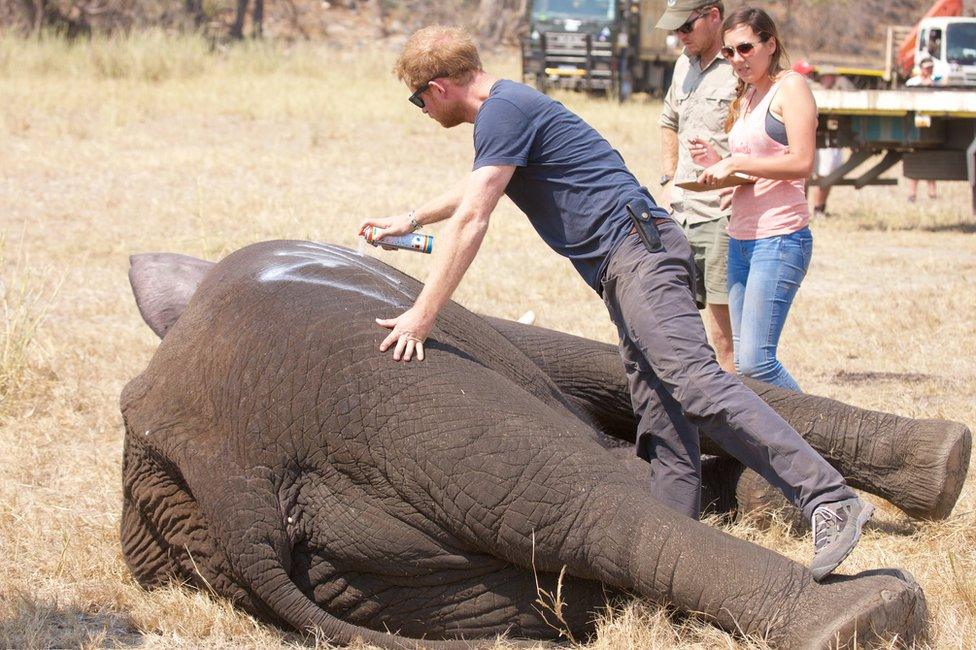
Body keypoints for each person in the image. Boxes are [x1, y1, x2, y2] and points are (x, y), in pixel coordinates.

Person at [361, 24, 872, 582]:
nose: (422, 111)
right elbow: (479, 187)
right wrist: (409, 221)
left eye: (418, 100)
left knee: (695, 383)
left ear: (437, 87)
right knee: (659, 409)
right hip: (624, 263)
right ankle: (671, 550)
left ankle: (828, 498)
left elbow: (473, 218)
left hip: (639, 254)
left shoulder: (502, 111)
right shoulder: (506, 109)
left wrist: (423, 315)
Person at [693, 7, 815, 394]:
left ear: (770, 43)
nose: (736, 59)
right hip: (741, 238)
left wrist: (739, 161)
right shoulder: (747, 96)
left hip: (779, 239)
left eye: (745, 48)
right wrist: (720, 169)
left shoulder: (790, 87)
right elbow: (761, 170)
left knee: (757, 362)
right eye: (728, 52)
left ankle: (823, 439)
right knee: (744, 366)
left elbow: (802, 162)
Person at [656, 0, 737, 373]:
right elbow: (668, 120)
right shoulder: (683, 65)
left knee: (725, 338)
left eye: (686, 27)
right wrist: (669, 178)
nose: (679, 36)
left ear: (714, 16)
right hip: (682, 212)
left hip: (722, 214)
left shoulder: (739, 64)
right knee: (680, 328)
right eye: (675, 29)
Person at [806, 68, 855, 217]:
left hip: (830, 140)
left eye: (830, 77)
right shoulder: (809, 90)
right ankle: (805, 210)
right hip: (813, 138)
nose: (826, 80)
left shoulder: (841, 90)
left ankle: (819, 209)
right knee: (806, 176)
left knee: (827, 175)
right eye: (824, 77)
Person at [905, 56, 939, 202]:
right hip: (916, 123)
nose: (929, 70)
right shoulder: (913, 83)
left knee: (931, 158)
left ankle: (932, 192)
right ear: (921, 68)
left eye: (931, 67)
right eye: (926, 67)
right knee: (916, 157)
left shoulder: (936, 83)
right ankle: (912, 193)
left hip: (932, 123)